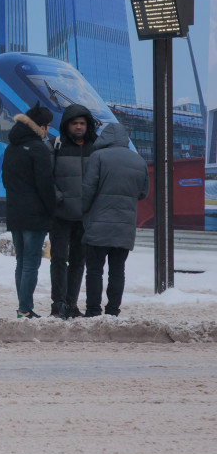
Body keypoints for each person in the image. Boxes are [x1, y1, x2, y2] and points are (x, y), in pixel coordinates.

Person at [80, 123, 149, 318]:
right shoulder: (138, 160)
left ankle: (93, 310)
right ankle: (112, 311)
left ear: (105, 138)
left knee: (94, 270)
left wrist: (83, 211)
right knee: (118, 271)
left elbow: (88, 189)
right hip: (125, 227)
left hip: (98, 224)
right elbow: (143, 193)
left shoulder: (98, 157)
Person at [1, 104, 55, 319]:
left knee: (21, 262)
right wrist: (51, 210)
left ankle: (23, 306)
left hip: (15, 212)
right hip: (35, 215)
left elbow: (5, 180)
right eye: (48, 126)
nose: (48, 130)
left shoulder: (10, 148)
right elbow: (45, 184)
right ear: (41, 127)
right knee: (31, 263)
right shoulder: (38, 148)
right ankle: (24, 309)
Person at [47, 104, 98, 319]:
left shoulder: (96, 148)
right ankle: (58, 304)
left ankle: (71, 304)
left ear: (88, 125)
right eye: (75, 123)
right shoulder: (55, 146)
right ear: (67, 125)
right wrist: (59, 198)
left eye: (82, 123)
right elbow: (46, 178)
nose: (79, 127)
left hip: (85, 216)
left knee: (78, 262)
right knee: (59, 260)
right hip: (60, 215)